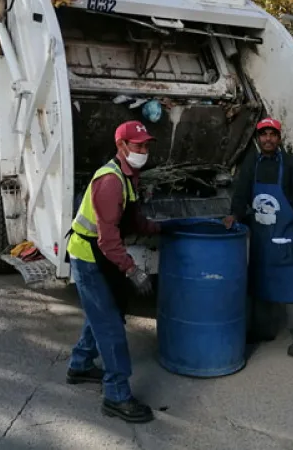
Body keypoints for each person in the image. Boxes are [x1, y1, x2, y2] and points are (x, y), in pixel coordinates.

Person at [65, 120, 170, 424]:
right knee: (110, 326)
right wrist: (134, 270)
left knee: (103, 314)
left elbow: (133, 219)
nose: (144, 150)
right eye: (138, 145)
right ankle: (116, 395)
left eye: (146, 145)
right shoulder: (110, 181)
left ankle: (80, 364)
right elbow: (108, 239)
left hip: (101, 256)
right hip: (90, 258)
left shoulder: (129, 176)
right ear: (121, 146)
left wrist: (161, 228)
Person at [223, 117, 293, 358]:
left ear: (279, 138)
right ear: (257, 138)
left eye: (272, 134)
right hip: (261, 237)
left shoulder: (290, 164)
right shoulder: (251, 164)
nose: (268, 139)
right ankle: (262, 330)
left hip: (285, 236)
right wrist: (234, 214)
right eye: (263, 134)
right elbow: (242, 192)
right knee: (259, 282)